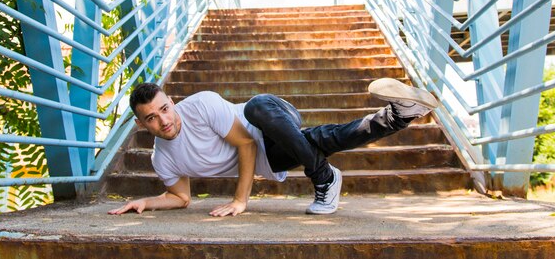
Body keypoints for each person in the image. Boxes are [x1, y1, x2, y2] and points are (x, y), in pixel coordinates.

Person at [107, 77, 438, 217]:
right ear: (141, 125)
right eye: (151, 118)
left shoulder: (202, 105)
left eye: (165, 109)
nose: (163, 121)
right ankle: (400, 115)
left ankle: (324, 179)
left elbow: (247, 143)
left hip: (272, 118)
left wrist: (240, 200)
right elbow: (181, 198)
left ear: (172, 102)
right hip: (272, 156)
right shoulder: (163, 159)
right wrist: (145, 202)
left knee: (256, 107)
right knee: (325, 138)